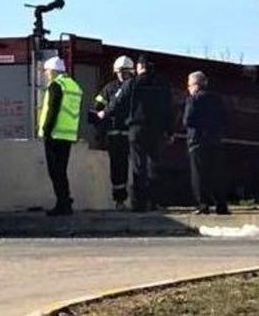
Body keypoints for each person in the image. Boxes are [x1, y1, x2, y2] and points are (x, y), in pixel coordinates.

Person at [98, 54, 173, 212]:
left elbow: (115, 103)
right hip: (154, 130)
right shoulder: (161, 84)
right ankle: (153, 202)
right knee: (152, 165)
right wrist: (169, 130)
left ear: (138, 68)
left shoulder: (131, 84)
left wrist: (103, 114)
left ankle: (139, 203)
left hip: (135, 130)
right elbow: (168, 108)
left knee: (139, 167)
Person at [38, 56, 84, 216]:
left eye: (46, 71)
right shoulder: (74, 86)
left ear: (53, 71)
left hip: (54, 134)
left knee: (55, 172)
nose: (45, 74)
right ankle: (65, 201)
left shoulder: (56, 85)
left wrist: (45, 129)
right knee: (61, 171)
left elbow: (53, 109)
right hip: (68, 135)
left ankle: (63, 203)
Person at [183, 71, 229, 215]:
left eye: (189, 85)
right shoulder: (217, 99)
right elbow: (224, 119)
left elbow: (187, 120)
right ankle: (221, 205)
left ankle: (203, 204)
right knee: (216, 174)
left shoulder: (193, 100)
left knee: (199, 175)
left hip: (197, 141)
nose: (188, 88)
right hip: (215, 140)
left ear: (196, 85)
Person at [93, 55, 134, 210]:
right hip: (115, 133)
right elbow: (97, 106)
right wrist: (100, 132)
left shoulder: (135, 87)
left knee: (139, 167)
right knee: (117, 169)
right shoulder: (109, 88)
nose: (122, 75)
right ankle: (120, 199)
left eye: (124, 72)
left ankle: (142, 199)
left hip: (132, 133)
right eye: (119, 72)